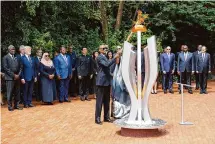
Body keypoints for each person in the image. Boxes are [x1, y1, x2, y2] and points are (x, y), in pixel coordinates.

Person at [95, 44, 121, 125]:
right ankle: (97, 118)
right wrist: (115, 57)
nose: (106, 49)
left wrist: (110, 74)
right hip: (101, 82)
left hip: (107, 81)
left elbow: (106, 69)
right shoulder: (99, 57)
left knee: (106, 100)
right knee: (99, 101)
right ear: (100, 50)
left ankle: (106, 117)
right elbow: (106, 65)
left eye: (106, 48)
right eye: (104, 48)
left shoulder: (105, 57)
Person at [2, 45, 23, 111]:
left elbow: (21, 66)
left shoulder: (17, 57)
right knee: (10, 93)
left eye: (14, 49)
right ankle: (10, 106)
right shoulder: (5, 57)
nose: (13, 50)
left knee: (17, 92)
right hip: (10, 78)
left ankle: (16, 105)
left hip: (17, 78)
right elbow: (5, 68)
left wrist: (18, 75)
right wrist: (13, 75)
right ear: (9, 50)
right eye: (12, 49)